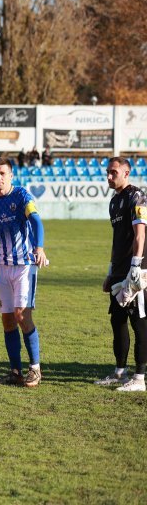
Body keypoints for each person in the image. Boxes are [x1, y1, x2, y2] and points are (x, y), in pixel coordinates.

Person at [0, 157, 47, 388]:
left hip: (24, 266)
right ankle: (15, 372)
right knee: (8, 321)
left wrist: (39, 248)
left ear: (11, 176)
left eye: (3, 174)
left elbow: (37, 221)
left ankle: (35, 369)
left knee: (21, 316)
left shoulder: (22, 197)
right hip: (1, 268)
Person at [97, 157, 147, 391]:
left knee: (139, 322)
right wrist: (110, 271)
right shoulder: (114, 201)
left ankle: (139, 379)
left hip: (135, 272)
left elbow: (140, 234)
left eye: (113, 172)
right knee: (117, 321)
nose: (109, 176)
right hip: (118, 272)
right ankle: (119, 372)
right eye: (107, 172)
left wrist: (136, 266)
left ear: (126, 173)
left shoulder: (137, 196)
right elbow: (117, 240)